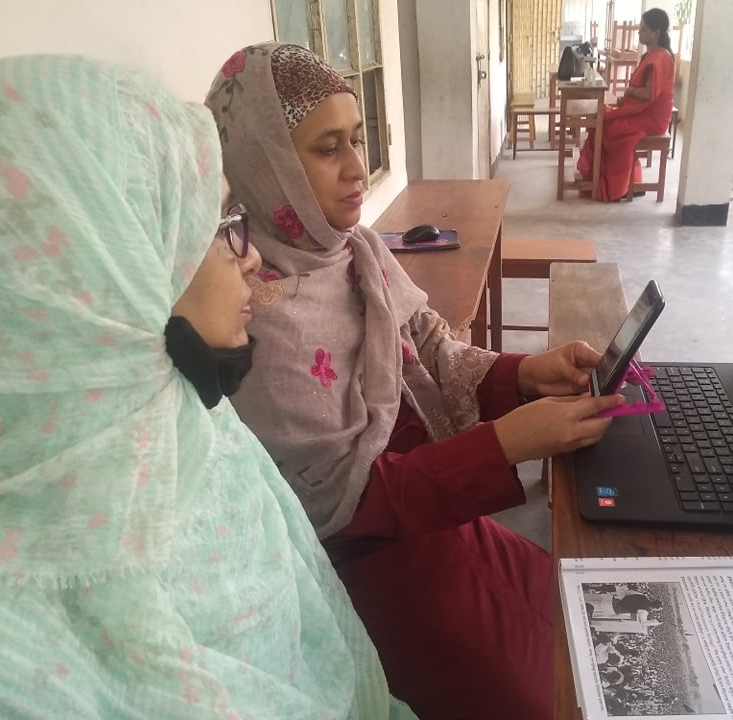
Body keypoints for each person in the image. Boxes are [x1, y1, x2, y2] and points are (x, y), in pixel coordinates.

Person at [205, 43, 624, 720]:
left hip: (443, 524)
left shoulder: (356, 251)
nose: (354, 169)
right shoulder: (252, 307)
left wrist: (524, 378)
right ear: (266, 159)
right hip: (370, 570)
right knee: (537, 698)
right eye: (325, 148)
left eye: (359, 139)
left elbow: (433, 350)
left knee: (581, 621)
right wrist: (505, 444)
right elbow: (340, 502)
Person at [0, 54, 416, 719]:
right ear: (112, 274)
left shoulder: (196, 425)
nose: (248, 257)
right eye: (217, 227)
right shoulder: (21, 667)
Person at [577, 8, 676, 201]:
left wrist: (629, 93)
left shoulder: (660, 57)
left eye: (644, 29)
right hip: (642, 112)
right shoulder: (651, 54)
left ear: (656, 33)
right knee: (602, 119)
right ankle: (631, 181)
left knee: (611, 129)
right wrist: (627, 102)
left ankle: (617, 186)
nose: (639, 32)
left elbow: (648, 95)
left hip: (652, 118)